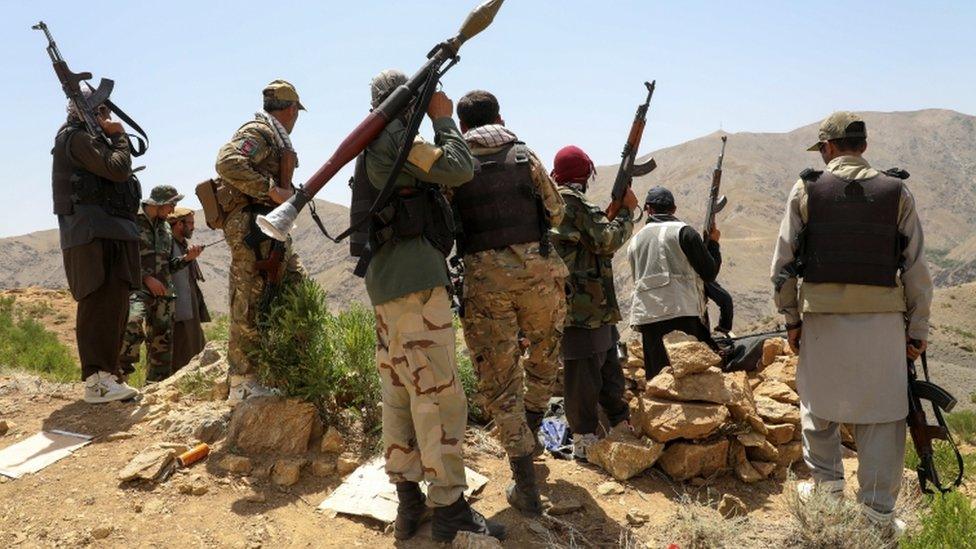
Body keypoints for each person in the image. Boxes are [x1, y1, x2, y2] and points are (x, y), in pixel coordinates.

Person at [770, 112, 932, 536]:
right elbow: (916, 271)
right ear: (863, 145)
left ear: (828, 148)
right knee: (882, 417)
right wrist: (917, 332)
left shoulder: (806, 189)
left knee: (819, 410)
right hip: (882, 325)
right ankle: (877, 516)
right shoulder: (898, 191)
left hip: (822, 323)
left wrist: (791, 321)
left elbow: (782, 267)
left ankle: (827, 497)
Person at [359, 70, 503, 543]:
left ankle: (408, 504)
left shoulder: (376, 140)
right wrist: (444, 120)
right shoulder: (395, 138)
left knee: (400, 392)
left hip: (388, 288)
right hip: (417, 288)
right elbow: (459, 168)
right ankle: (449, 509)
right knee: (437, 395)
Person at [452, 90, 569, 514]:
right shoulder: (524, 155)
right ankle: (532, 430)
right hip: (538, 275)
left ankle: (524, 481)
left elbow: (447, 224)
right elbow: (556, 212)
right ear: (501, 115)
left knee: (499, 379)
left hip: (485, 283)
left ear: (463, 126)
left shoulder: (455, 162)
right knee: (543, 355)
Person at [215, 80, 306, 402]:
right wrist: (270, 189)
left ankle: (292, 370)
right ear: (292, 109)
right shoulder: (259, 132)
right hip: (253, 227)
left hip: (270, 228)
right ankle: (242, 381)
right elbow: (227, 162)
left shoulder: (273, 136)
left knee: (296, 291)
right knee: (249, 300)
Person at [52, 89, 142, 403]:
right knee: (98, 303)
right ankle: (97, 381)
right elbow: (117, 168)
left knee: (115, 302)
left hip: (109, 232)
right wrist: (119, 137)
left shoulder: (90, 139)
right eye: (100, 110)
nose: (106, 116)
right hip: (92, 235)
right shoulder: (76, 139)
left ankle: (109, 375)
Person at [549, 145, 635, 460]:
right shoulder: (573, 202)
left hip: (590, 307)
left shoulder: (557, 201)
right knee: (583, 377)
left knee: (608, 368)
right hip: (583, 308)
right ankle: (585, 441)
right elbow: (606, 240)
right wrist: (626, 211)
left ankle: (617, 427)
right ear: (584, 174)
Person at [627, 186, 722, 379]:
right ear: (674, 209)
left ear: (648, 209)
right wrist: (713, 243)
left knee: (658, 379)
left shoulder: (635, 240)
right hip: (682, 313)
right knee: (687, 379)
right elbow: (709, 273)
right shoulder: (685, 232)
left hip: (648, 316)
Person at [119, 186, 202, 382]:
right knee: (132, 325)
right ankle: (120, 379)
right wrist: (145, 278)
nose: (173, 210)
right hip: (138, 289)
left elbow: (167, 266)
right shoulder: (132, 221)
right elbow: (122, 258)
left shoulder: (165, 227)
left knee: (162, 343)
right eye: (171, 204)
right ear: (159, 203)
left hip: (164, 294)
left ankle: (156, 385)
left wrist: (187, 259)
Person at [167, 207, 211, 371]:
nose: (193, 227)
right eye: (190, 223)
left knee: (195, 347)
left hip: (190, 305)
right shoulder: (168, 244)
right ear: (179, 224)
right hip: (178, 308)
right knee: (182, 352)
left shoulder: (181, 243)